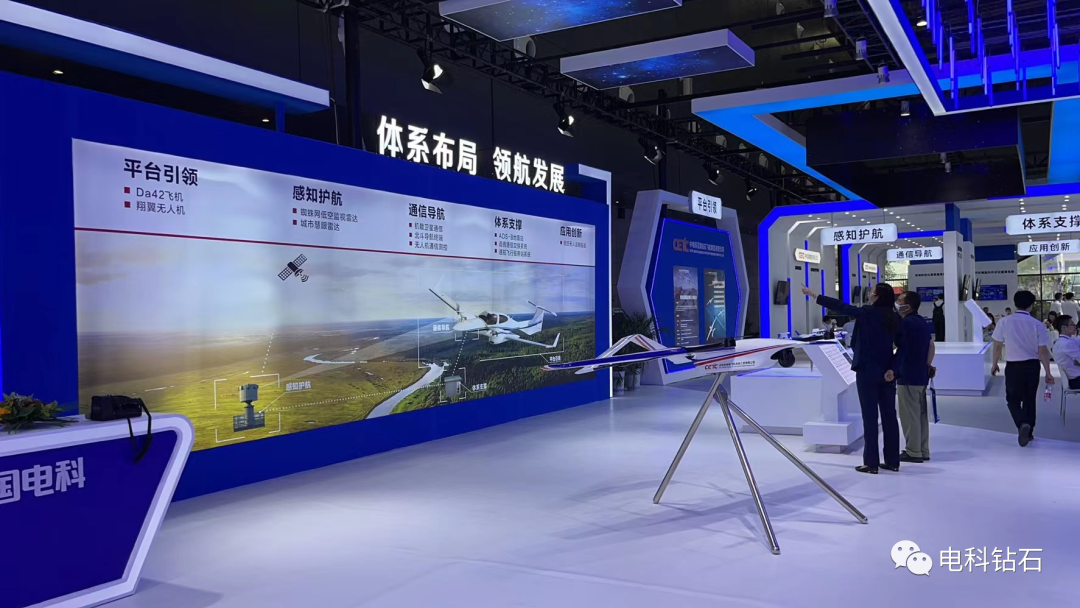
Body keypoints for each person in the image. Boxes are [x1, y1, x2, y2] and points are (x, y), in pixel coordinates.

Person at [802, 283, 900, 473]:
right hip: (888, 373)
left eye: (872, 292)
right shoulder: (894, 317)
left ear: (878, 296)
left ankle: (871, 463)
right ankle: (892, 461)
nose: (870, 294)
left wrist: (815, 296)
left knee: (870, 417)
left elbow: (841, 306)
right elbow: (902, 347)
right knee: (889, 416)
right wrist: (892, 369)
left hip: (866, 371)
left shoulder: (867, 313)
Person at [991, 290, 1055, 447]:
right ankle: (1029, 432)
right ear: (1031, 305)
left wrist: (994, 364)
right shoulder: (1037, 324)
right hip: (1032, 366)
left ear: (1015, 304)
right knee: (1029, 399)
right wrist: (1048, 372)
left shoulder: (1004, 322)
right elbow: (1042, 350)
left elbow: (997, 345)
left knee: (1012, 399)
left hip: (1013, 366)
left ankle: (1021, 423)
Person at [886, 291, 935, 463]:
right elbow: (931, 345)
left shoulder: (905, 323)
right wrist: (927, 365)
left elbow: (895, 344)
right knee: (920, 415)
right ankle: (922, 449)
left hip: (907, 374)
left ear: (908, 306)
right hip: (920, 374)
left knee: (909, 415)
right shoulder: (921, 322)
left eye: (900, 300)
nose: (897, 302)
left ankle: (913, 451)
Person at [1052, 315, 1080, 390]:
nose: (1075, 327)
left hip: (1072, 379)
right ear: (1064, 327)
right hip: (1076, 380)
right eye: (1072, 324)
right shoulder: (1068, 343)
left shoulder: (1059, 342)